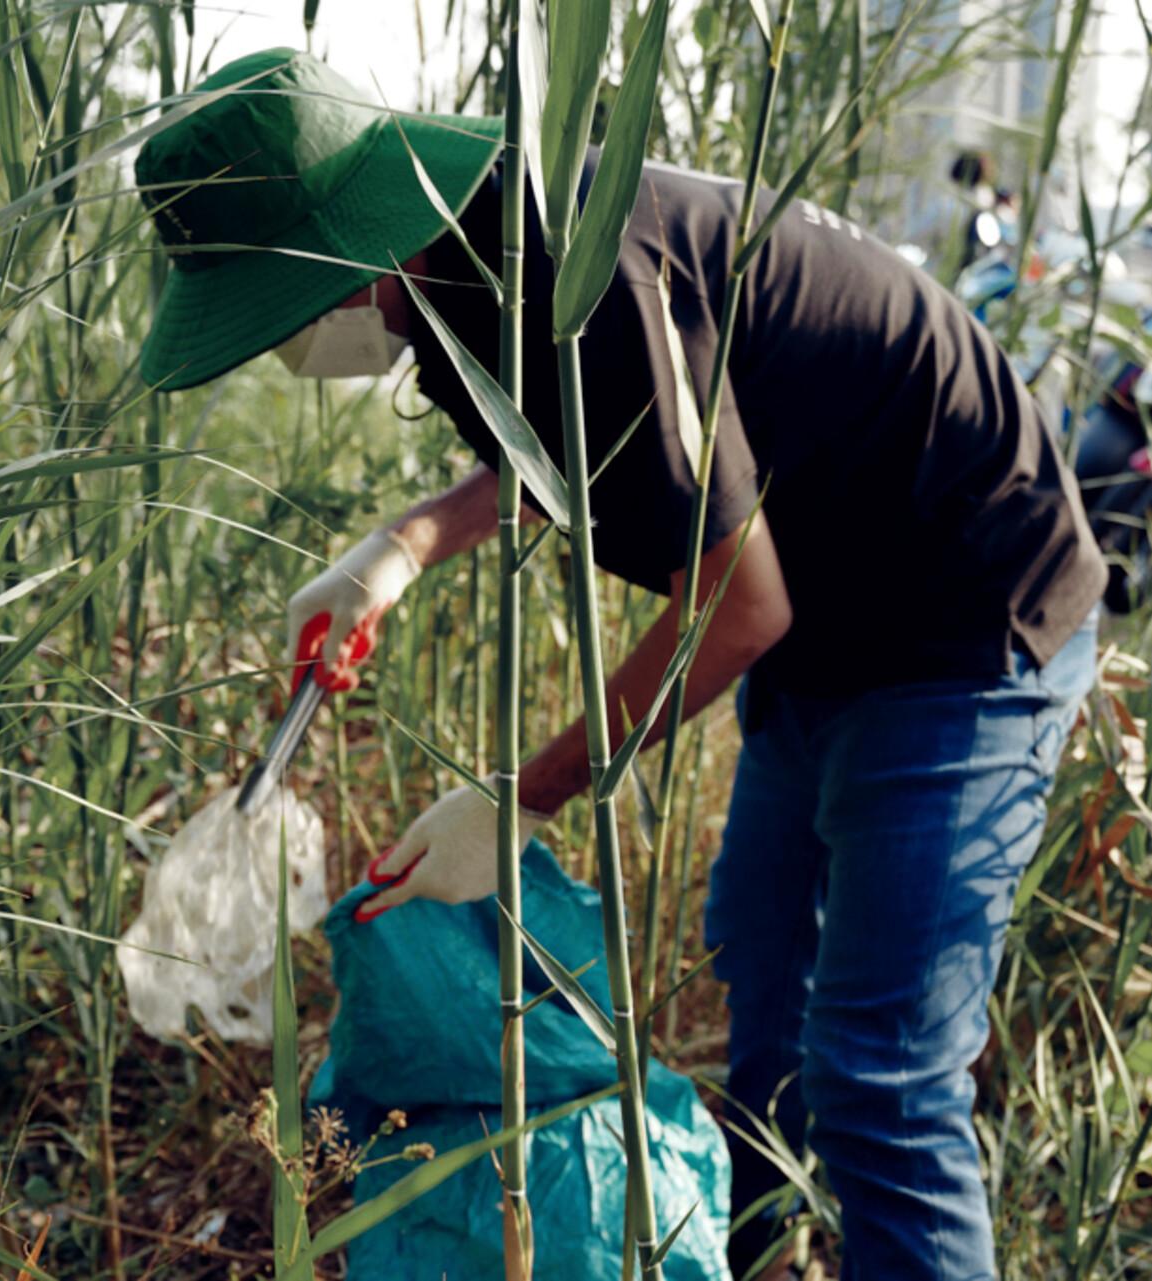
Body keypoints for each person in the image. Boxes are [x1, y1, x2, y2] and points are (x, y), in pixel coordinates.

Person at [136, 48, 1107, 1280]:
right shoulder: (449, 282)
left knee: (878, 1070)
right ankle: (750, 1255)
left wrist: (525, 795)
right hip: (831, 612)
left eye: (280, 307)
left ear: (352, 247)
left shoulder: (569, 268)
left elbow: (738, 606)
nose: (282, 344)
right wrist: (402, 546)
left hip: (965, 612)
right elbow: (582, 461)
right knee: (760, 970)